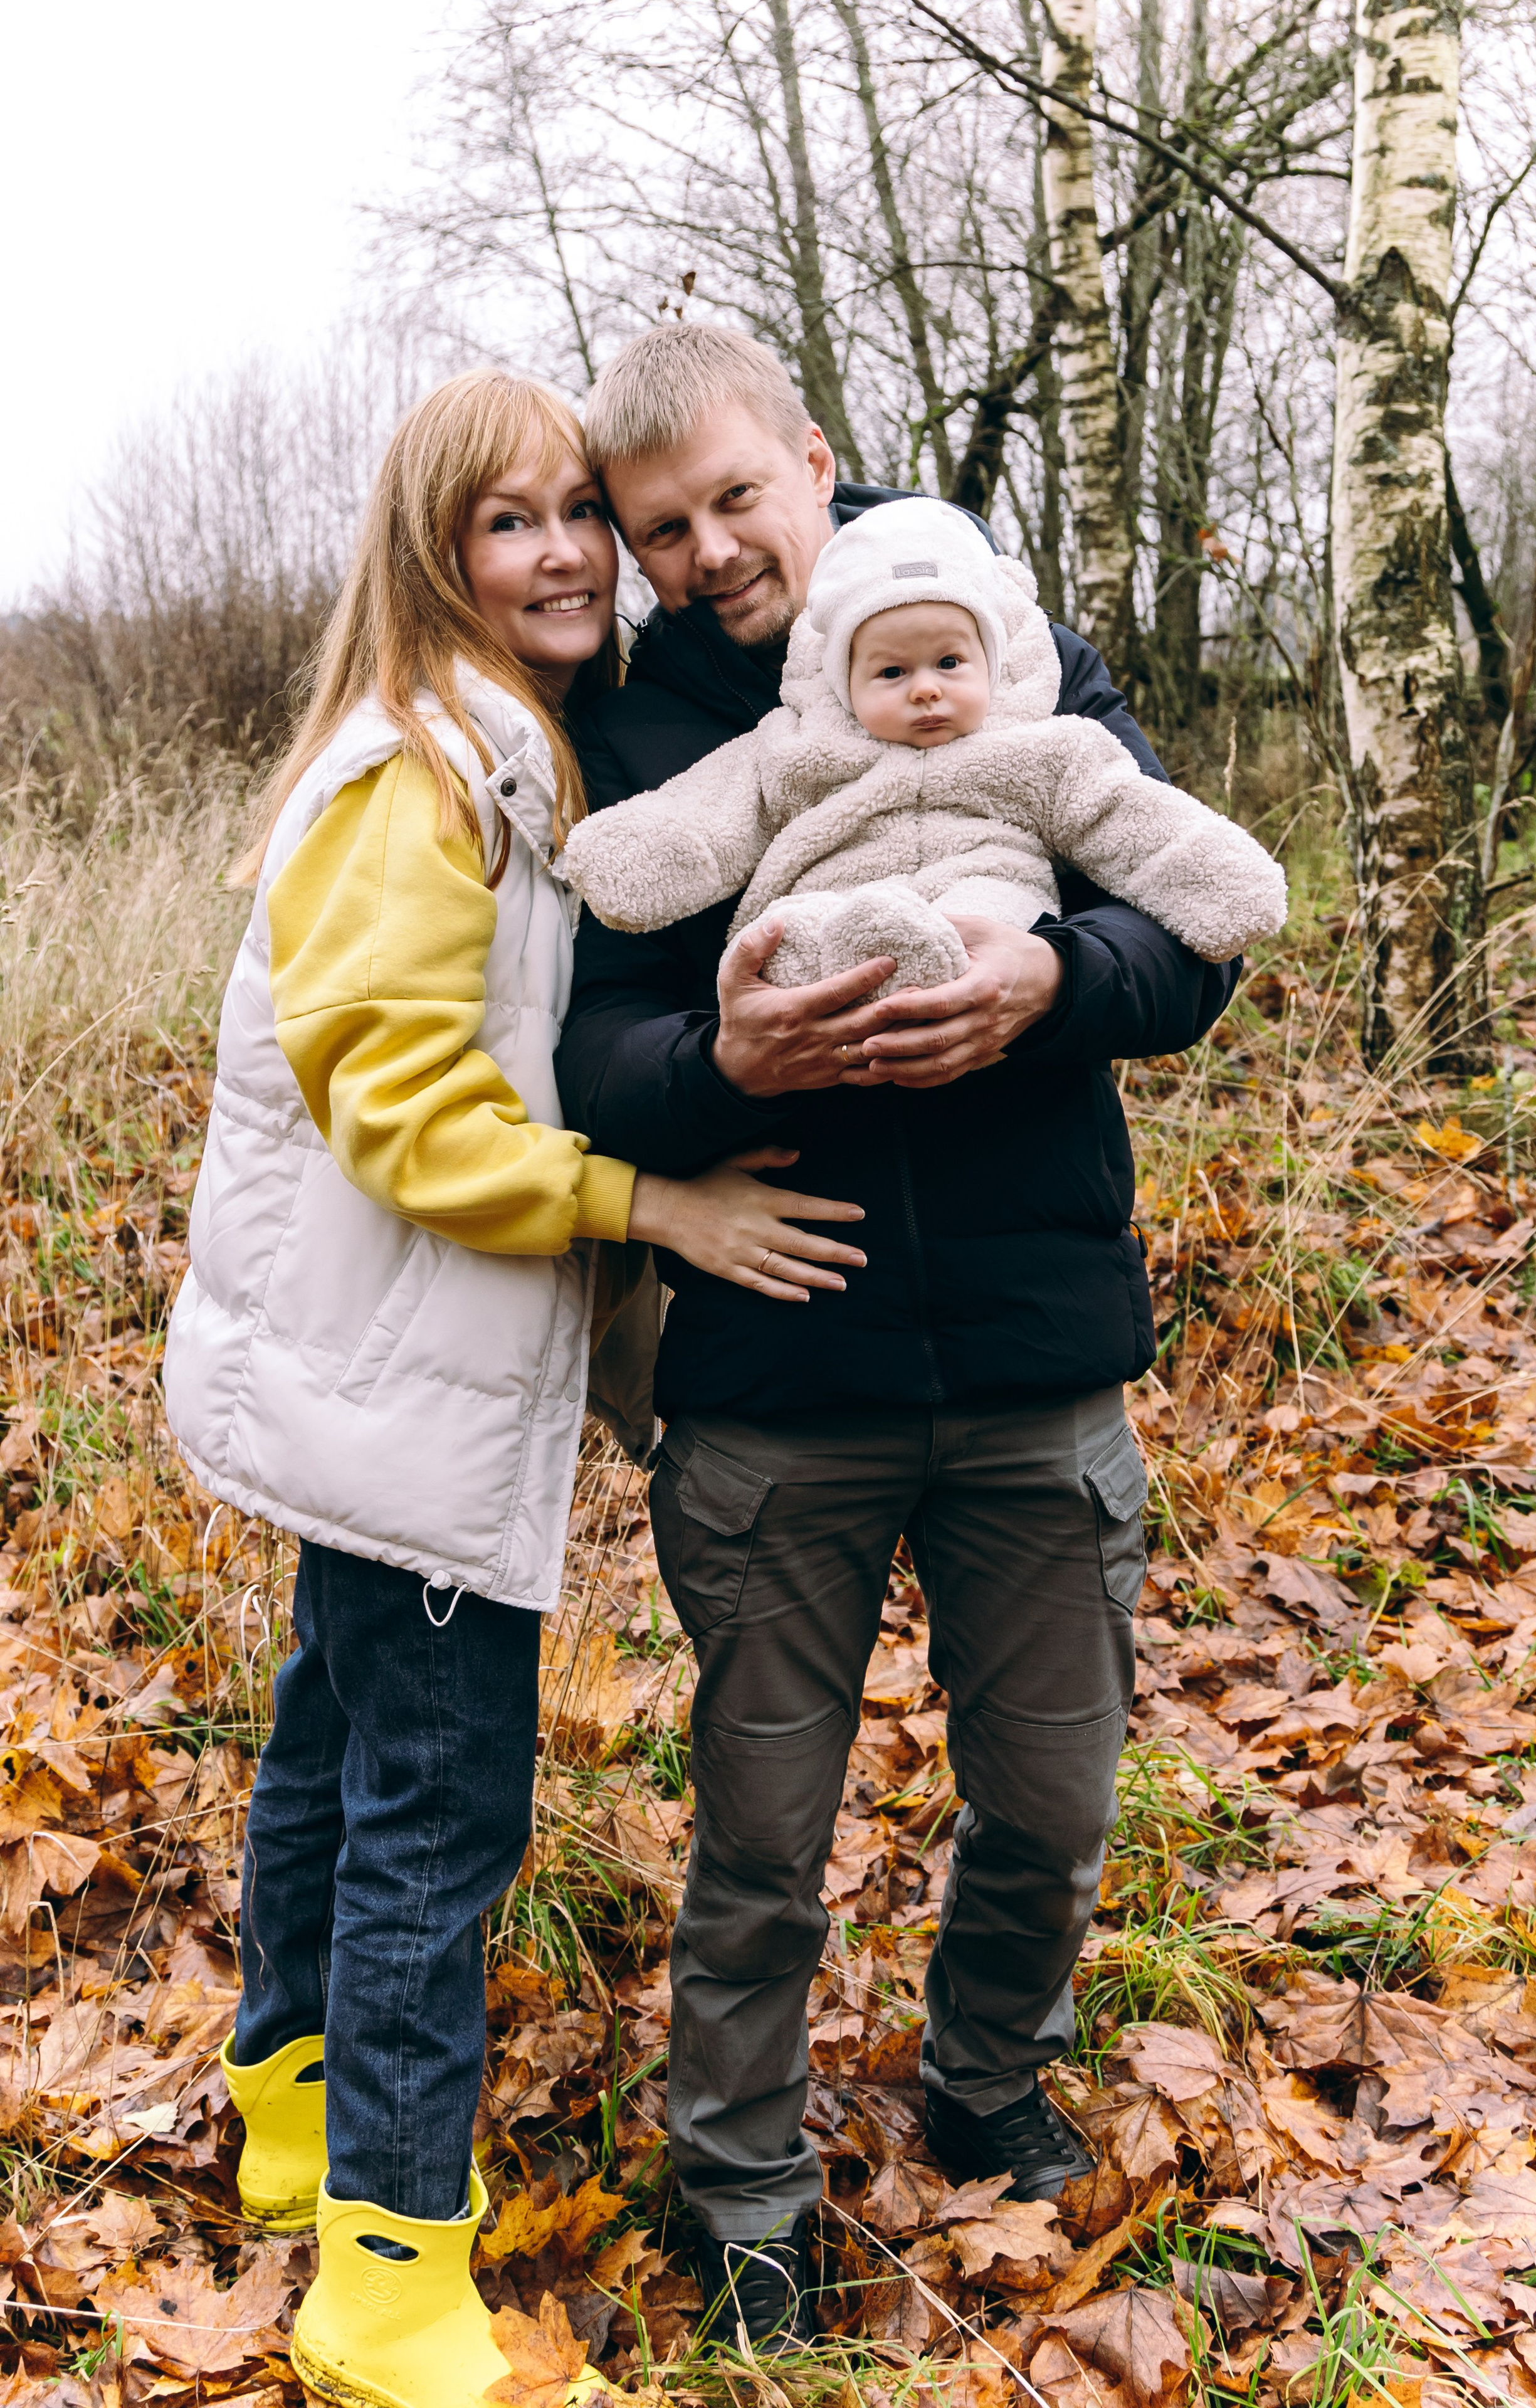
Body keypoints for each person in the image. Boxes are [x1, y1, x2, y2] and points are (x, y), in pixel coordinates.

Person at [162, 369, 866, 2408]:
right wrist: (651, 1203)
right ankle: (388, 2291)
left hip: (382, 1367)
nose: (566, 554)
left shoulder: (491, 743)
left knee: (336, 1732)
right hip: (414, 1379)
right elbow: (403, 1113)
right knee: (437, 1815)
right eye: (509, 522)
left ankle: (295, 2116)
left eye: (581, 513)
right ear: (434, 552)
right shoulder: (426, 773)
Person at [555, 324, 1243, 2349]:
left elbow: (1185, 926)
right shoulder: (644, 726)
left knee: (1054, 1801)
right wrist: (720, 1067)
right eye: (661, 529)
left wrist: (1055, 981)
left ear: (811, 456)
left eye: (733, 499)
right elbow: (587, 1046)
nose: (706, 553)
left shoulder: (988, 635)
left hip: (1038, 1356)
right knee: (765, 1835)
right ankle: (745, 2186)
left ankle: (989, 2084)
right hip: (780, 1378)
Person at [560, 494, 1285, 983]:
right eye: (891, 672)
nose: (925, 689)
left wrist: (1219, 888)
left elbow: (1136, 824)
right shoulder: (796, 744)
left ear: (991, 662)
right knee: (783, 934)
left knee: (985, 916)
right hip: (825, 910)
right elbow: (709, 815)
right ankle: (850, 959)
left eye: (949, 663)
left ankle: (921, 955)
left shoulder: (1047, 746)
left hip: (984, 910)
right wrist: (630, 857)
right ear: (842, 680)